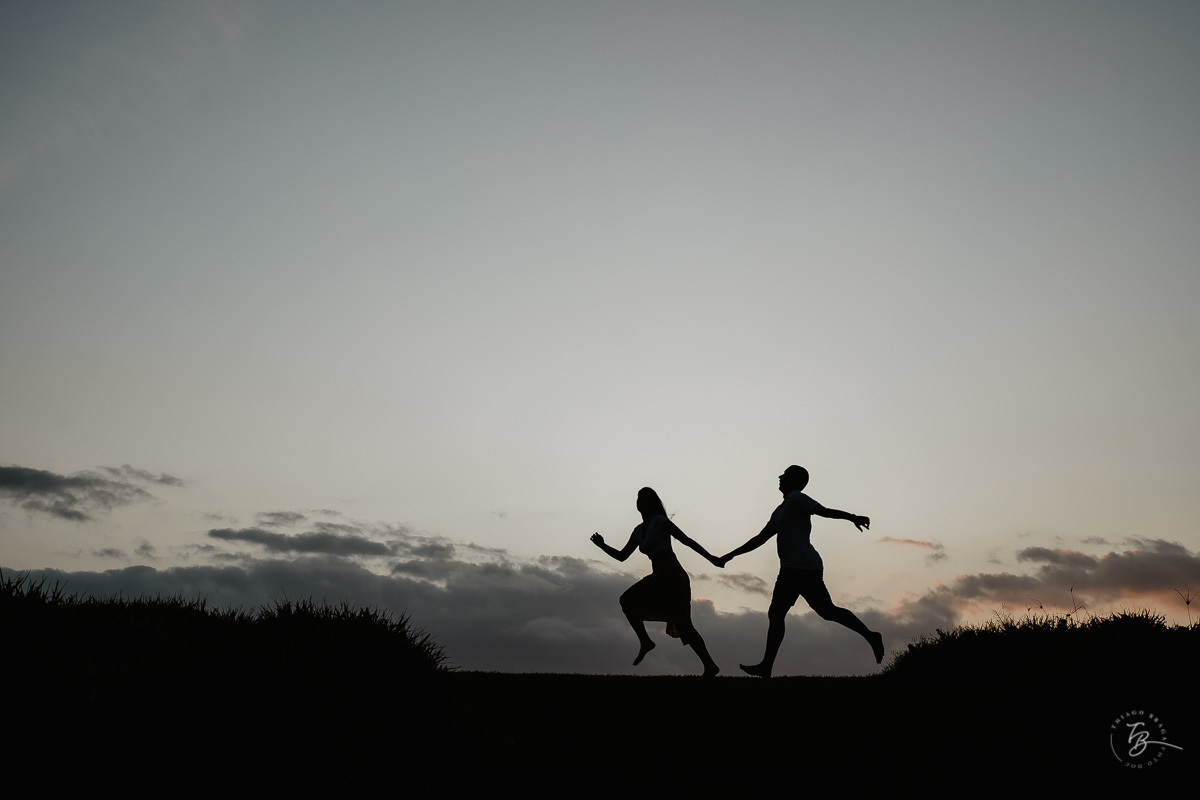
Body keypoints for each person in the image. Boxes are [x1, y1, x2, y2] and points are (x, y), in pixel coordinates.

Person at [717, 465, 885, 677]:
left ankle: (767, 665)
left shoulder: (797, 498)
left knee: (797, 613)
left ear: (795, 481)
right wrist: (730, 555)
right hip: (793, 568)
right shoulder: (781, 509)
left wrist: (853, 517)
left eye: (785, 475)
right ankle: (870, 636)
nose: (780, 476)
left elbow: (824, 511)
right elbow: (760, 539)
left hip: (802, 568)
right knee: (816, 612)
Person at [591, 487, 723, 676]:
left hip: (673, 576)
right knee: (627, 600)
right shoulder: (638, 531)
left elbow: (686, 540)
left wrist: (712, 558)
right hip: (659, 575)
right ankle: (646, 641)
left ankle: (710, 666)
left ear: (652, 503)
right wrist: (602, 545)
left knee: (684, 625)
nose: (641, 501)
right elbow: (622, 556)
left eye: (645, 498)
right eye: (639, 498)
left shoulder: (661, 521)